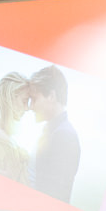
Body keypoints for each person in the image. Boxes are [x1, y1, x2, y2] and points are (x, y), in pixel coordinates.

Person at [30, 65, 81, 203]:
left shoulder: (64, 136)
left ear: (51, 96)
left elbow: (52, 196)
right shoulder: (55, 132)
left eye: (34, 99)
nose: (31, 106)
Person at [0, 71, 30, 184]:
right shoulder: (1, 139)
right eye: (24, 101)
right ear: (10, 98)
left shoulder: (1, 135)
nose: (27, 108)